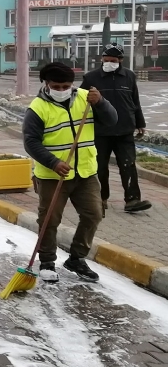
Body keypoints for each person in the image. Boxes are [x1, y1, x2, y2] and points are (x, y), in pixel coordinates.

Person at [24, 62, 118, 283]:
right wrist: (53, 162)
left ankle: (76, 258)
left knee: (94, 214)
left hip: (86, 173)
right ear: (47, 84)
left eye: (66, 85)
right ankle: (47, 261)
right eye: (56, 86)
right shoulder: (37, 108)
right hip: (52, 176)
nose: (61, 90)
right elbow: (30, 142)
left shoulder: (87, 98)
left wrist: (102, 103)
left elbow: (112, 120)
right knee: (49, 219)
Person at [80, 44, 151, 215]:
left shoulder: (129, 76)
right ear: (102, 59)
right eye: (106, 60)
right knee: (100, 167)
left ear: (120, 60)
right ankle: (101, 199)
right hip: (100, 131)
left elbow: (135, 101)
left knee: (128, 165)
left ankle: (133, 200)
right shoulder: (91, 77)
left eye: (113, 60)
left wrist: (140, 123)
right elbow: (80, 102)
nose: (109, 63)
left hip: (125, 130)